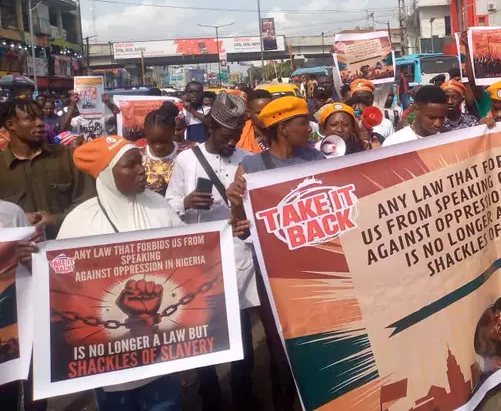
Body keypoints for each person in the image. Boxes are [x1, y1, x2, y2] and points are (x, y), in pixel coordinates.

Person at [58, 136, 186, 410]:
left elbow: (187, 253)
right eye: (131, 165)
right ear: (106, 175)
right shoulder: (80, 220)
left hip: (163, 348)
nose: (142, 169)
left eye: (141, 162)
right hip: (110, 355)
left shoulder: (158, 205)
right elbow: (61, 278)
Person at [228, 95, 324, 411]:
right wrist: (236, 200)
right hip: (276, 277)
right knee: (282, 350)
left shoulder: (316, 160)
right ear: (283, 128)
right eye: (302, 122)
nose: (309, 128)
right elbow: (242, 226)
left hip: (317, 271)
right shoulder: (251, 167)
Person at [164, 92, 259, 410]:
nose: (231, 142)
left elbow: (255, 212)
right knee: (203, 336)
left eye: (235, 136)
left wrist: (239, 210)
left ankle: (243, 393)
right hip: (199, 262)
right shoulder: (187, 160)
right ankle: (211, 397)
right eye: (225, 136)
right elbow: (168, 205)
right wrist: (186, 202)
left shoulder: (247, 159)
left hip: (237, 259)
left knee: (242, 340)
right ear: (210, 127)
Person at [0, 99, 95, 239]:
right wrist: (16, 219)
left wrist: (56, 221)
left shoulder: (66, 156)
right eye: (30, 119)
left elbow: (88, 202)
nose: (39, 123)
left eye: (41, 117)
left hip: (67, 246)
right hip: (19, 255)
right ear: (10, 125)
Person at [0, 201, 44, 411]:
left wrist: (33, 255)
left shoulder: (10, 212)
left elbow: (33, 268)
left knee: (16, 394)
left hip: (13, 324)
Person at [138, 105, 192, 196]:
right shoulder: (137, 156)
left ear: (173, 132)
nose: (158, 147)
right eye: (152, 142)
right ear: (145, 135)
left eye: (164, 141)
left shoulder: (189, 153)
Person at [382, 85, 447, 146]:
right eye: (432, 117)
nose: (438, 124)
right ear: (416, 110)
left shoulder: (447, 142)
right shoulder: (395, 143)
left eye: (442, 118)